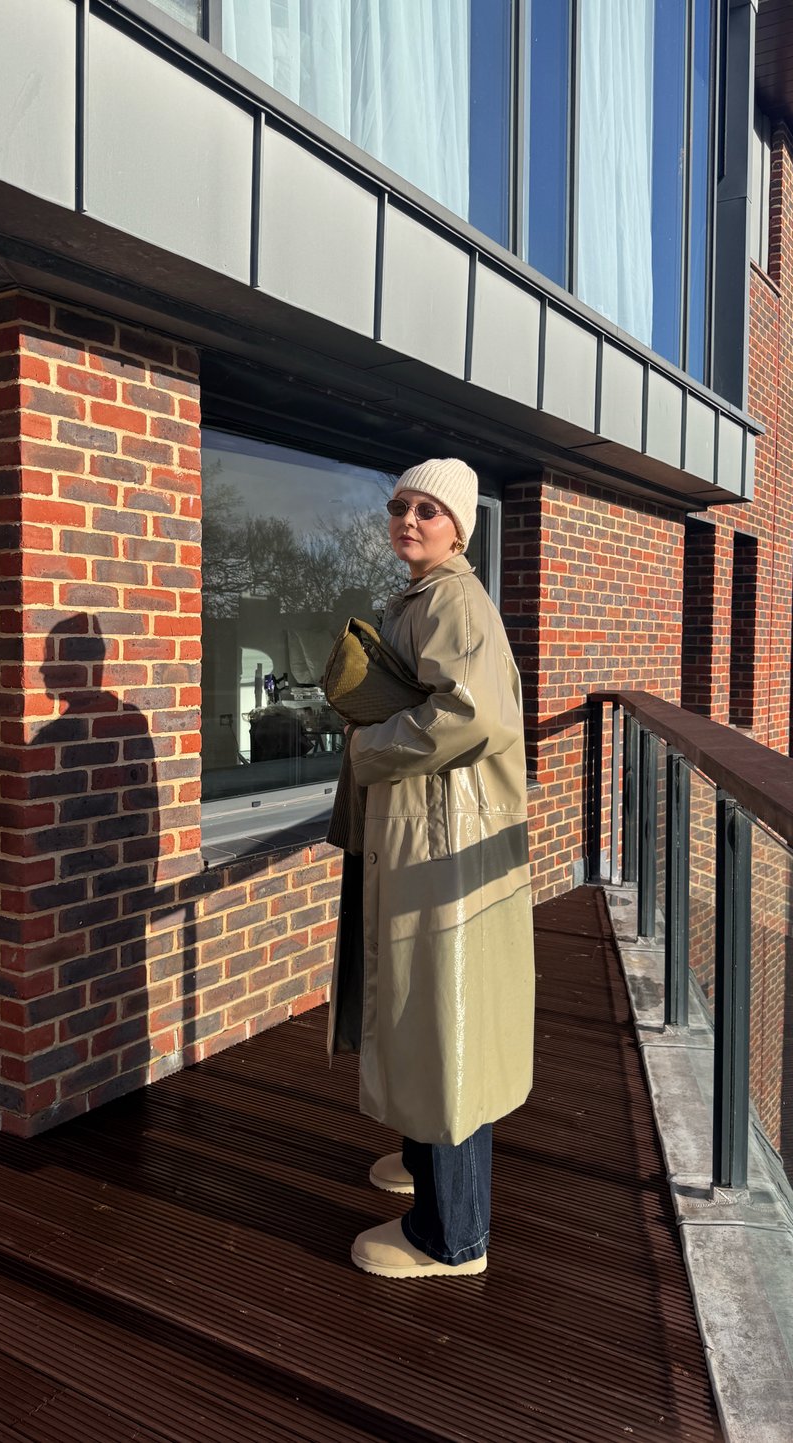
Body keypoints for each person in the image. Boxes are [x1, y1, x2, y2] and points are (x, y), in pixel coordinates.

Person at [328, 456, 535, 1280]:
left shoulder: (454, 600)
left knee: (447, 1023)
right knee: (422, 1009)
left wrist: (369, 745)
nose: (407, 520)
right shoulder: (423, 597)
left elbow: (473, 715)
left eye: (428, 509)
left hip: (442, 839)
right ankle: (423, 1163)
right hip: (424, 828)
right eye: (399, 505)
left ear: (459, 528)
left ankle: (453, 1236)